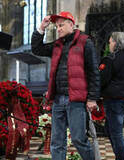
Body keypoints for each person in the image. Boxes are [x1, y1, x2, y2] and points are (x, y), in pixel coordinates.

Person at [31, 11, 99, 160]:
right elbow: (37, 49)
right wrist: (42, 28)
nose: (59, 29)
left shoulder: (85, 42)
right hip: (58, 100)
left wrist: (92, 98)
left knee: (78, 139)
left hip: (75, 100)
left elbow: (94, 72)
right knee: (57, 142)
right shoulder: (57, 45)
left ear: (71, 24)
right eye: (56, 27)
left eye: (61, 25)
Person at [99, 32, 124, 160]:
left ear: (116, 42)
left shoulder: (112, 58)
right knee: (110, 130)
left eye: (110, 42)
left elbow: (102, 79)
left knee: (115, 133)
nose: (109, 45)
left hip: (115, 100)